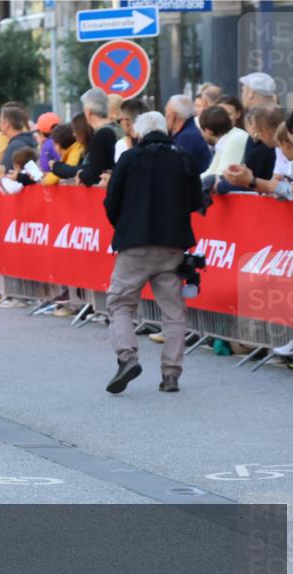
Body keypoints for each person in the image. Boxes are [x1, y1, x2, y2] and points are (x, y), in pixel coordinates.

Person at [103, 112, 203, 394]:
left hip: (133, 244)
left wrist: (123, 226)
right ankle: (171, 375)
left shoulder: (130, 158)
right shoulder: (183, 157)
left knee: (121, 303)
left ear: (138, 133)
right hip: (172, 246)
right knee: (173, 311)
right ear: (165, 129)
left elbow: (111, 201)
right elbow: (196, 200)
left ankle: (127, 357)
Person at [77, 88, 119, 187]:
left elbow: (96, 175)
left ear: (88, 112)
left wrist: (81, 174)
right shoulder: (118, 128)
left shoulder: (100, 136)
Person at [199, 105, 248, 182]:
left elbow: (222, 175)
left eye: (201, 131)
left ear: (209, 131)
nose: (201, 135)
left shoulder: (236, 138)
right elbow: (211, 171)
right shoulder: (225, 140)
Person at [165, 95, 212, 173]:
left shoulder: (187, 137)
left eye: (167, 113)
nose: (165, 116)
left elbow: (176, 171)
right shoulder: (189, 131)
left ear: (173, 116)